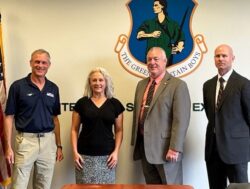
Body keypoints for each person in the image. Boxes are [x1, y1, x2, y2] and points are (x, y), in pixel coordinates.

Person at [3, 49, 64, 189]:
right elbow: (9, 117)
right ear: (30, 63)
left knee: (43, 186)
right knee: (19, 185)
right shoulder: (18, 86)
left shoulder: (53, 88)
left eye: (44, 62)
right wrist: (8, 147)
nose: (40, 65)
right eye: (37, 62)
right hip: (25, 141)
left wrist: (58, 145)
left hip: (48, 143)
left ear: (49, 65)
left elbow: (55, 119)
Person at [131, 47, 191, 184]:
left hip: (166, 150)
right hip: (145, 149)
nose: (152, 62)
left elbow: (181, 120)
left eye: (156, 59)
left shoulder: (178, 85)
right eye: (149, 59)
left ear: (165, 61)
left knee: (172, 187)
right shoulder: (141, 85)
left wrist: (175, 148)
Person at [203, 44, 250, 189]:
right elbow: (211, 115)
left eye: (224, 56)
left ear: (232, 58)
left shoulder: (244, 84)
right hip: (213, 150)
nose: (221, 59)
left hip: (236, 151)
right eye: (217, 56)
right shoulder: (208, 85)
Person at [71, 67, 124, 184]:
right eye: (94, 80)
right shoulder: (81, 103)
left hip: (108, 157)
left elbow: (119, 130)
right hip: (84, 156)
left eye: (101, 80)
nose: (97, 83)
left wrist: (116, 153)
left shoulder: (115, 104)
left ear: (106, 82)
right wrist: (75, 153)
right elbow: (74, 130)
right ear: (89, 83)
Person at [137, 0, 185, 65]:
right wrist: (151, 34)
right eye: (153, 5)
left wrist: (179, 47)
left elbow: (181, 38)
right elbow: (139, 35)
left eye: (156, 5)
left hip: (166, 58)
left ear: (162, 6)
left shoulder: (172, 24)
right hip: (151, 58)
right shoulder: (148, 23)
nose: (153, 7)